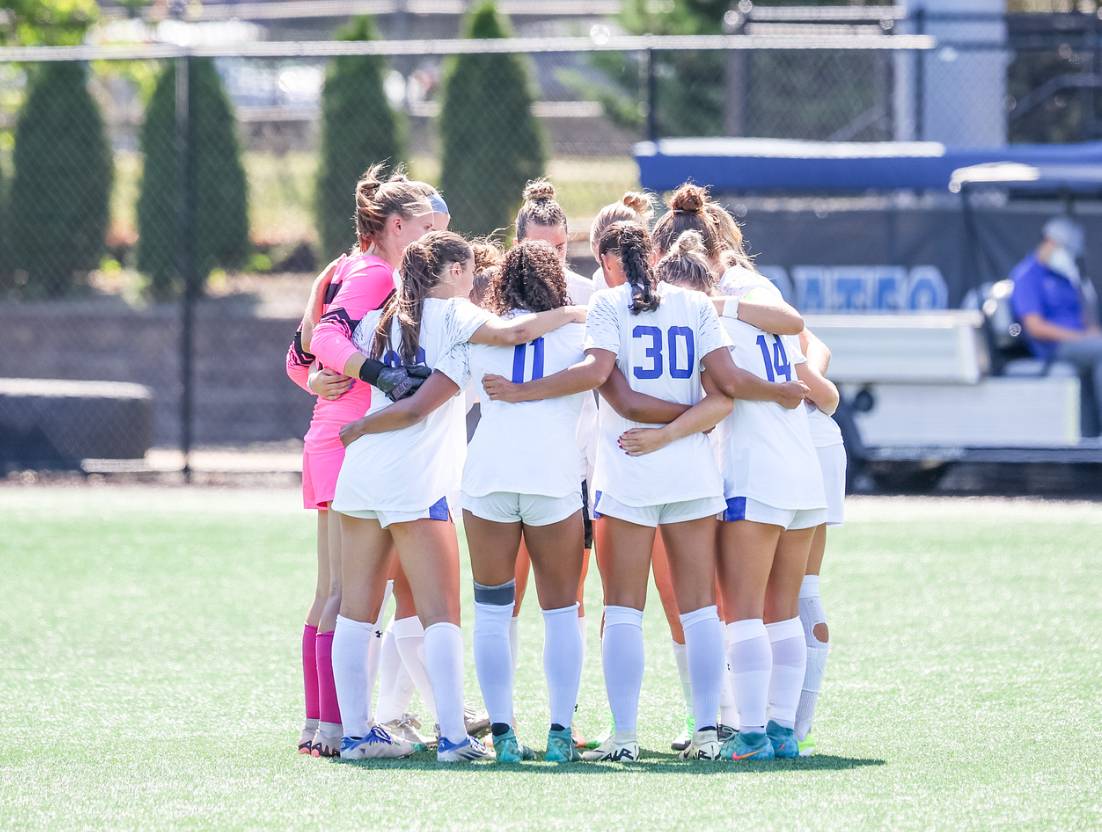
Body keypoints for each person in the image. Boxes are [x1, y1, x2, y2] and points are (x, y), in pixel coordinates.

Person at [483, 222, 808, 762]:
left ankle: (626, 738)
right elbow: (725, 388)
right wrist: (697, 417)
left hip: (632, 467)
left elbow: (624, 400)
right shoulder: (695, 304)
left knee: (625, 610)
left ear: (610, 258)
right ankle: (708, 735)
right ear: (654, 255)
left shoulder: (608, 304)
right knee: (701, 609)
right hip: (691, 473)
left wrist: (663, 428)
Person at [328, 231, 586, 762]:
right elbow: (515, 333)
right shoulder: (454, 315)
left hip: (361, 477)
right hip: (414, 479)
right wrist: (571, 314)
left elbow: (326, 347)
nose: (473, 280)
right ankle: (452, 738)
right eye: (467, 269)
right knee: (440, 612)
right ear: (449, 273)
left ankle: (355, 736)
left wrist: (334, 399)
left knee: (357, 612)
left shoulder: (382, 315)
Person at [283, 164, 435, 757]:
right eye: (423, 227)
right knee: (352, 593)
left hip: (329, 438)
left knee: (333, 590)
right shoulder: (374, 273)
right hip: (354, 442)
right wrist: (380, 376)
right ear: (395, 226)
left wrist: (323, 384)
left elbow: (298, 363)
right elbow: (322, 343)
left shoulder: (340, 268)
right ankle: (348, 727)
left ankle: (320, 725)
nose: (429, 237)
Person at [460, 240, 589, 763]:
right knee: (561, 612)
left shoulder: (482, 333)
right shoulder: (579, 330)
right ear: (555, 282)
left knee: (492, 614)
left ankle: (505, 738)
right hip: (553, 481)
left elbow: (456, 395)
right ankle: (561, 735)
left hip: (487, 478)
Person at [509, 181, 595, 719]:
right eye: (541, 248)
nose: (552, 259)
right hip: (506, 469)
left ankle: (566, 720)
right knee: (505, 602)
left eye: (560, 247)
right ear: (519, 246)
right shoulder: (494, 297)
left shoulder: (588, 297)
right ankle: (504, 720)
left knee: (569, 603)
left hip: (574, 469)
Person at [793, 327, 845, 758]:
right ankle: (795, 729)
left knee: (752, 603)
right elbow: (816, 345)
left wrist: (813, 386)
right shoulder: (760, 293)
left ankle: (748, 723)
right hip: (818, 435)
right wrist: (818, 387)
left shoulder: (731, 294)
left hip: (780, 441)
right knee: (802, 592)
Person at [1010, 216, 1102, 435]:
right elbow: (1036, 328)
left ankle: (1091, 435)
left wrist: (1091, 333)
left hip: (1078, 343)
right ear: (1050, 241)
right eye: (1065, 249)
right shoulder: (1027, 276)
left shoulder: (1064, 277)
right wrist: (1080, 337)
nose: (1068, 256)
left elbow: (1082, 319)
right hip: (1053, 348)